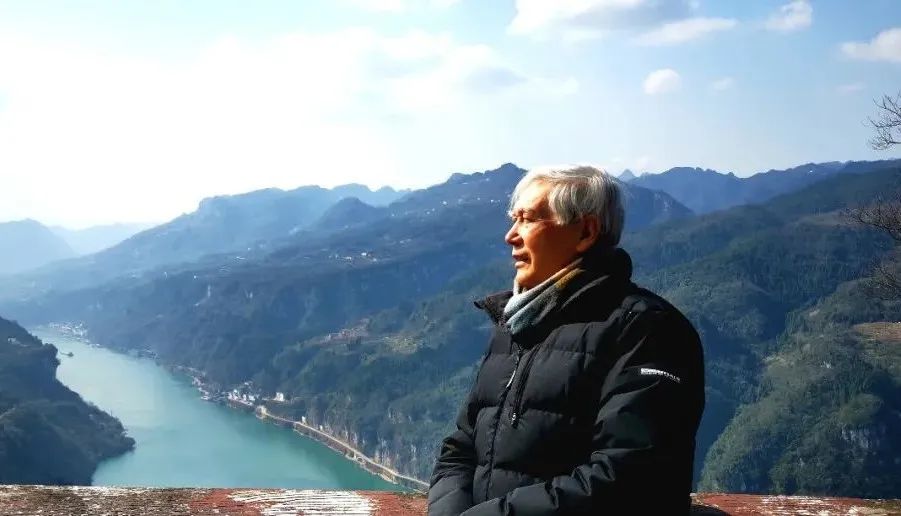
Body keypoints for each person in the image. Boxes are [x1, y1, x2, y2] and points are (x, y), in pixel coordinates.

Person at [428, 165, 705, 515]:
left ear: (586, 232)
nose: (510, 236)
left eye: (528, 219)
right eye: (514, 219)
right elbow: (461, 447)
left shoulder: (648, 330)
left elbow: (632, 477)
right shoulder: (515, 325)